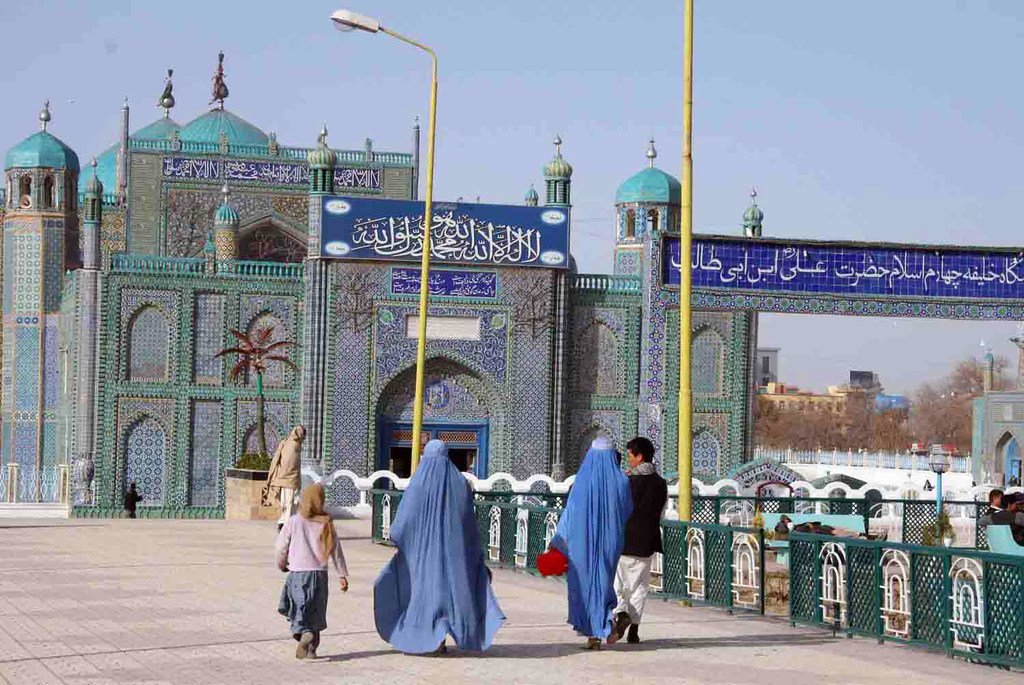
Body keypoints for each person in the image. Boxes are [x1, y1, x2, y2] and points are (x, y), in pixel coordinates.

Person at [374, 439, 505, 654]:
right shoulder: (460, 483)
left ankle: (432, 635)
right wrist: (470, 547)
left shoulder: (419, 482)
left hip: (422, 555)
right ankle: (443, 631)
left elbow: (403, 521)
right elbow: (468, 521)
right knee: (450, 592)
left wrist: (402, 538)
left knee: (427, 592)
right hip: (455, 554)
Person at [549, 437, 633, 650]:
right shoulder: (622, 481)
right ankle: (603, 625)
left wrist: (558, 540)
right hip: (610, 541)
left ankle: (596, 633)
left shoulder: (581, 482)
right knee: (603, 581)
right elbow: (626, 511)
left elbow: (570, 514)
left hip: (580, 543)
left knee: (584, 585)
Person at [275, 482, 348, 659]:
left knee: (299, 609)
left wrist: (282, 564)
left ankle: (303, 634)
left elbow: (281, 547)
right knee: (316, 611)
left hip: (299, 574)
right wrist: (342, 575)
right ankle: (312, 650)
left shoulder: (293, 521)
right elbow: (335, 550)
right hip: (320, 576)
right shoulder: (326, 523)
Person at [610, 436, 667, 645]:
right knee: (639, 587)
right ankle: (634, 630)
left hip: (624, 541)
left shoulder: (626, 481)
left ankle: (620, 614)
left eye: (630, 456)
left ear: (639, 456)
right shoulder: (661, 483)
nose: (629, 461)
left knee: (619, 585)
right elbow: (661, 513)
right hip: (647, 542)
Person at [265, 426, 305, 532]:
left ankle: (283, 523)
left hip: (282, 479)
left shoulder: (285, 442)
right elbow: (291, 465)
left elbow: (279, 460)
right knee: (290, 504)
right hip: (291, 480)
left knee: (286, 503)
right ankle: (286, 526)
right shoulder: (295, 445)